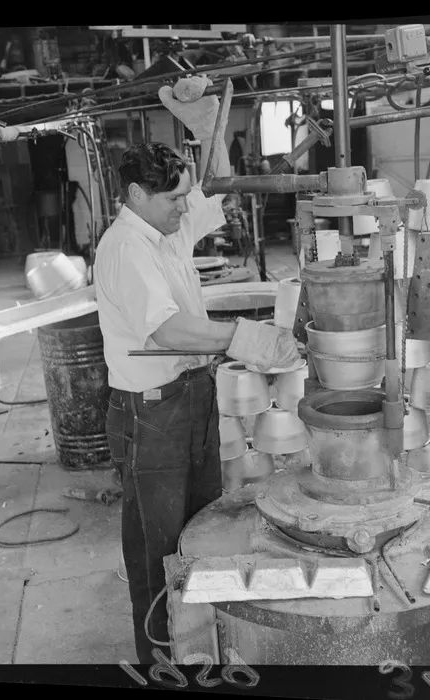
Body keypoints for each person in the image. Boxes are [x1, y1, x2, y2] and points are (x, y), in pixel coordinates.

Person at [93, 76, 300, 664]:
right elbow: (169, 332)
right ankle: (160, 660)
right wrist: (244, 336)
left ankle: (202, 650)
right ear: (135, 194)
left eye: (183, 197)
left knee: (204, 530)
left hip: (191, 398)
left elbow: (217, 190)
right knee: (159, 549)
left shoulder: (164, 224)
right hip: (151, 412)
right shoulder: (126, 250)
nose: (187, 207)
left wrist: (208, 129)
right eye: (173, 199)